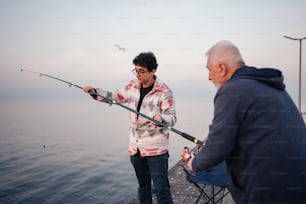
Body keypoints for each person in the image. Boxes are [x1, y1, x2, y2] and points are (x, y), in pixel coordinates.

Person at [187, 40, 306, 203]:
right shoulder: (270, 86)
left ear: (221, 68)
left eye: (209, 70)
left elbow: (219, 146)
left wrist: (194, 163)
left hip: (271, 189)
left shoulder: (232, 90)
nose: (209, 77)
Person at [84, 52, 176, 204]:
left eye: (142, 71)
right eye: (136, 70)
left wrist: (161, 119)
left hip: (156, 149)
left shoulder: (164, 91)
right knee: (143, 187)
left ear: (153, 71)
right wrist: (95, 92)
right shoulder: (132, 86)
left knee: (162, 189)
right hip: (136, 147)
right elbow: (113, 98)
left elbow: (172, 117)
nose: (138, 74)